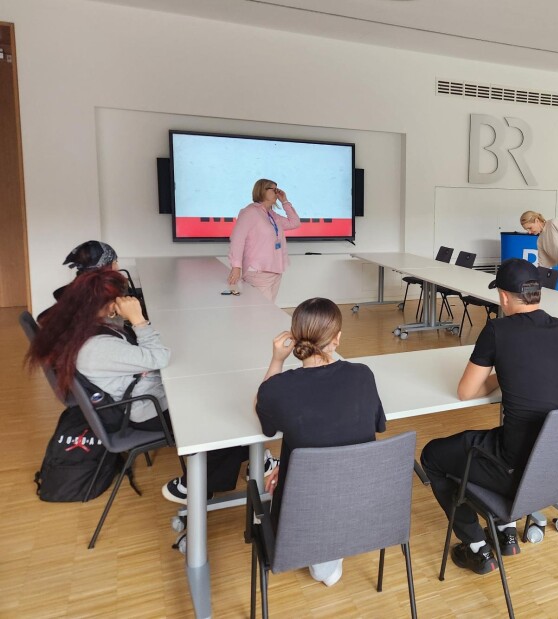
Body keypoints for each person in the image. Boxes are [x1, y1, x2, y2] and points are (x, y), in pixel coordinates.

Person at [421, 258, 558, 574]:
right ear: (538, 294)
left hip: (518, 470)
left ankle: (477, 547)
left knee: (434, 456)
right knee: (498, 439)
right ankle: (506, 531)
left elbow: (466, 391)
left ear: (504, 297)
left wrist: (501, 376)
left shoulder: (498, 330)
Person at [26, 269, 267, 505]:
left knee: (217, 392)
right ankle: (195, 485)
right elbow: (158, 358)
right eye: (119, 298)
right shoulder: (96, 348)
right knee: (222, 409)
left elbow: (141, 354)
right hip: (144, 410)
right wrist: (138, 319)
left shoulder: (82, 327)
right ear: (109, 304)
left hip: (138, 394)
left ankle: (257, 459)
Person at [256, 297, 386, 587]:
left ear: (293, 338)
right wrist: (289, 464)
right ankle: (329, 552)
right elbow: (375, 426)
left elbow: (263, 414)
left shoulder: (280, 388)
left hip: (303, 511)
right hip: (366, 503)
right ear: (337, 338)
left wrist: (277, 359)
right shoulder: (363, 375)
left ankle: (324, 555)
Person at [228, 179, 301, 303]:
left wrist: (285, 201)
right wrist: (236, 267)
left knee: (269, 310)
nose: (277, 193)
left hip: (275, 270)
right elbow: (237, 239)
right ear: (262, 190)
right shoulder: (250, 212)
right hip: (258, 272)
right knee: (261, 312)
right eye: (274, 189)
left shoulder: (272, 215)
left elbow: (295, 223)